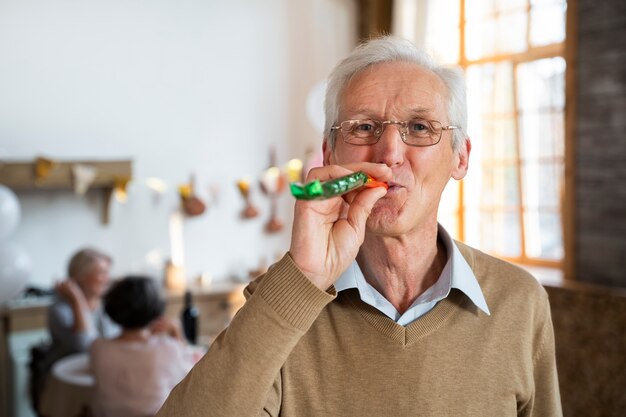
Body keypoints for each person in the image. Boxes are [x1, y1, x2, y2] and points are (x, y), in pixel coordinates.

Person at [157, 36, 562, 416]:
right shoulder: (281, 303)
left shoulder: (519, 301)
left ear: (461, 158)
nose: (389, 153)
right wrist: (305, 277)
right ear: (330, 152)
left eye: (420, 127)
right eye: (364, 127)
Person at [90, 275, 192, 417]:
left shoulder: (98, 348)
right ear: (156, 308)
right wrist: (177, 333)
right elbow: (188, 375)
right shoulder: (168, 348)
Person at [46, 247, 120, 367]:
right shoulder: (59, 309)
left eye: (108, 272)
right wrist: (77, 300)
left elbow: (115, 342)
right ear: (81, 276)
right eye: (102, 273)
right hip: (70, 376)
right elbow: (85, 347)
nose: (107, 279)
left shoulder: (108, 304)